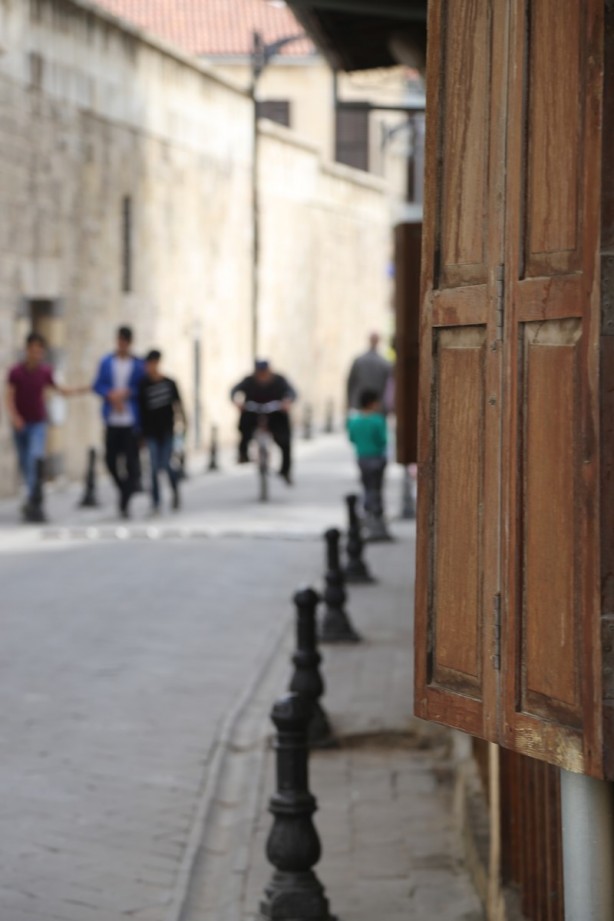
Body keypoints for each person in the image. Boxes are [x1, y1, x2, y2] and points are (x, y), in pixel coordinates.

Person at [5, 332, 87, 522]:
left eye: (39, 351)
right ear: (27, 350)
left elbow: (60, 390)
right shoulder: (16, 372)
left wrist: (83, 389)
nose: (36, 354)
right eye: (33, 350)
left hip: (37, 423)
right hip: (20, 425)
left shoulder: (45, 372)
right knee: (25, 465)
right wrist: (15, 417)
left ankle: (35, 501)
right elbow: (9, 397)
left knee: (35, 458)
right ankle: (31, 499)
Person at [92, 326, 145, 518]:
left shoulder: (138, 365)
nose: (122, 344)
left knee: (131, 463)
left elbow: (142, 389)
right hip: (112, 420)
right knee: (110, 460)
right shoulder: (107, 362)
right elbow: (97, 385)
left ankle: (125, 501)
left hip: (131, 421)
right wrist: (111, 395)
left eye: (125, 341)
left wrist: (127, 394)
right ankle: (124, 490)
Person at [230, 360, 297, 484]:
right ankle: (243, 453)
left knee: (285, 439)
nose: (262, 376)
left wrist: (287, 402)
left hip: (275, 413)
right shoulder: (249, 381)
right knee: (245, 427)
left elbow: (292, 392)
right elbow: (234, 390)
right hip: (254, 412)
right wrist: (237, 402)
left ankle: (285, 471)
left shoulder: (279, 380)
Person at [138, 350, 185, 514]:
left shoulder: (170, 383)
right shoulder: (143, 385)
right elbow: (141, 411)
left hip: (167, 431)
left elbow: (179, 406)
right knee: (153, 467)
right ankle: (156, 502)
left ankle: (175, 489)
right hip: (150, 432)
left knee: (166, 464)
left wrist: (184, 425)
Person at [346, 388, 388, 524]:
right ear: (372, 403)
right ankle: (376, 513)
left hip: (362, 457)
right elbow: (382, 439)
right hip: (376, 456)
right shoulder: (377, 420)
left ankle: (368, 510)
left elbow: (351, 438)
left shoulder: (354, 421)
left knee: (366, 485)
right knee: (376, 487)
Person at [346, 332, 392, 411]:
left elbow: (350, 382)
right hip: (377, 406)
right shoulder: (384, 363)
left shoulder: (359, 361)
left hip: (360, 405)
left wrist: (350, 402)